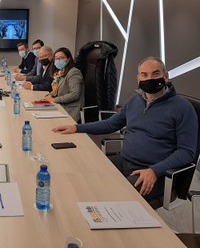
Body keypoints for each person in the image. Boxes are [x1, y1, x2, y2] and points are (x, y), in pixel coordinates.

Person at [52, 56, 198, 201]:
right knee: (84, 176)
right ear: (138, 78)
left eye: (156, 74)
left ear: (165, 76)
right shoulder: (135, 101)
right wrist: (76, 128)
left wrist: (155, 170)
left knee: (113, 197)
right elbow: (110, 124)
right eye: (144, 75)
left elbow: (187, 152)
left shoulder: (182, 108)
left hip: (153, 171)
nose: (150, 79)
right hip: (124, 160)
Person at [41, 47, 84, 122]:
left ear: (68, 59)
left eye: (62, 58)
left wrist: (54, 99)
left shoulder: (74, 72)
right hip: (60, 106)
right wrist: (49, 95)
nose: (58, 60)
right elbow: (56, 90)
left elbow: (75, 94)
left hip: (69, 110)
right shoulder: (60, 72)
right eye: (56, 58)